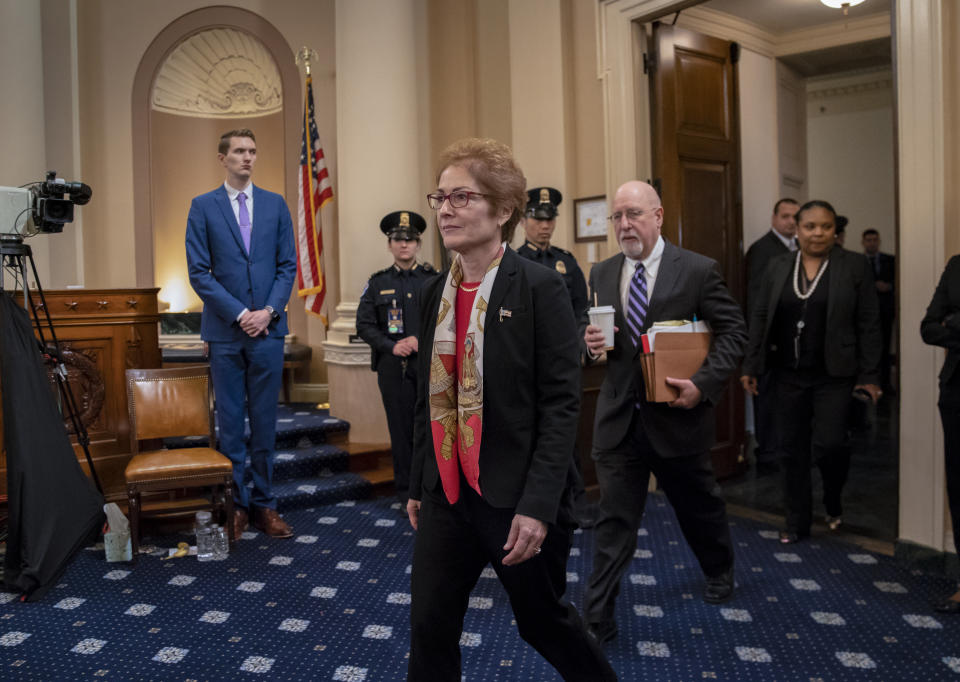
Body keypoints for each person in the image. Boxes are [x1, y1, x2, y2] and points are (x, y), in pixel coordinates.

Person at [406, 138, 616, 681]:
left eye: (461, 197)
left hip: (515, 495)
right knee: (429, 625)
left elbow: (560, 405)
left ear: (502, 211)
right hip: (446, 493)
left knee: (542, 622)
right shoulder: (433, 293)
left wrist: (538, 506)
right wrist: (416, 482)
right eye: (440, 197)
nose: (445, 209)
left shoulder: (541, 287)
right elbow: (432, 397)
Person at [581, 181, 747, 644]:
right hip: (619, 422)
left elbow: (734, 332)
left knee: (699, 507)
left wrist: (704, 385)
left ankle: (719, 568)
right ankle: (598, 617)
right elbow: (594, 335)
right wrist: (588, 341)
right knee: (615, 521)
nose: (624, 224)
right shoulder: (601, 272)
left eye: (633, 213)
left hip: (678, 417)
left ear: (657, 216)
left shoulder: (696, 270)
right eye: (617, 216)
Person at [741, 200, 881, 544]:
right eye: (810, 226)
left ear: (835, 230)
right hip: (788, 373)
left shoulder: (854, 266)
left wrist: (870, 376)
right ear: (797, 229)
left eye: (826, 227)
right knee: (790, 450)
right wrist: (751, 364)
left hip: (835, 374)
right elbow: (759, 317)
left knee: (830, 445)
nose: (818, 233)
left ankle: (833, 499)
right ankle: (796, 522)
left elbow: (869, 324)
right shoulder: (777, 266)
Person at [185, 128, 297, 540]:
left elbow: (287, 266)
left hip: (268, 331)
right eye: (238, 151)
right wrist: (239, 314)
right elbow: (199, 272)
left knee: (265, 423)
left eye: (252, 150)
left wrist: (267, 312)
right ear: (223, 158)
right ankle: (236, 507)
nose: (247, 157)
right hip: (225, 333)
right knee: (231, 424)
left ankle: (266, 506)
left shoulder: (275, 204)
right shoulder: (203, 207)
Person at [356, 210, 435, 508]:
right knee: (401, 433)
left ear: (418, 244)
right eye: (398, 240)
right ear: (389, 244)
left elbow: (447, 320)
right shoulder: (377, 283)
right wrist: (390, 346)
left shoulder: (432, 279)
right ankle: (406, 495)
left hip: (428, 365)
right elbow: (363, 325)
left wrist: (420, 340)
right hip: (394, 368)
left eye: (410, 240)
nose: (404, 245)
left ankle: (430, 492)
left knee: (431, 428)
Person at [745, 198, 799, 474]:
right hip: (767, 340)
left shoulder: (800, 248)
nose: (791, 221)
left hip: (793, 341)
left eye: (795, 217)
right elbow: (756, 300)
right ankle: (766, 453)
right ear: (774, 218)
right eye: (786, 216)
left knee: (787, 399)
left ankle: (785, 449)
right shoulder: (762, 249)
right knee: (766, 399)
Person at [920, 255, 960, 613]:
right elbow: (929, 328)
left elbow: (946, 325)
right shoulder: (956, 267)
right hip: (956, 392)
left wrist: (956, 322)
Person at [517, 187, 589, 319]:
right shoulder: (516, 261)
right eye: (538, 219)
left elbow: (581, 308)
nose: (545, 226)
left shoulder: (567, 261)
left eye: (550, 219)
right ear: (523, 221)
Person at [863, 228, 896, 391]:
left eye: (874, 240)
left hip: (885, 310)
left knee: (885, 346)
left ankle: (885, 383)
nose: (872, 243)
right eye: (868, 240)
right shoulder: (858, 262)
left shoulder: (890, 260)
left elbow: (899, 281)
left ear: (879, 241)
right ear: (863, 242)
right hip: (865, 312)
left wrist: (889, 286)